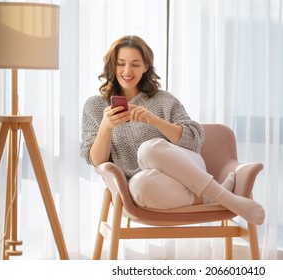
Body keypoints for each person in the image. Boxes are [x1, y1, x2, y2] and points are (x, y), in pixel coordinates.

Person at [80, 35, 264, 225]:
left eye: (135, 64)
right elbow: (96, 161)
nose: (127, 71)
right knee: (139, 186)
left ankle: (228, 199)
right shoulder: (94, 106)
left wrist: (155, 120)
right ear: (112, 66)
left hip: (188, 169)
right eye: (121, 63)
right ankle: (211, 197)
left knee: (148, 149)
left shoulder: (164, 100)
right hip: (155, 185)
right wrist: (105, 126)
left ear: (145, 67)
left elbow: (194, 139)